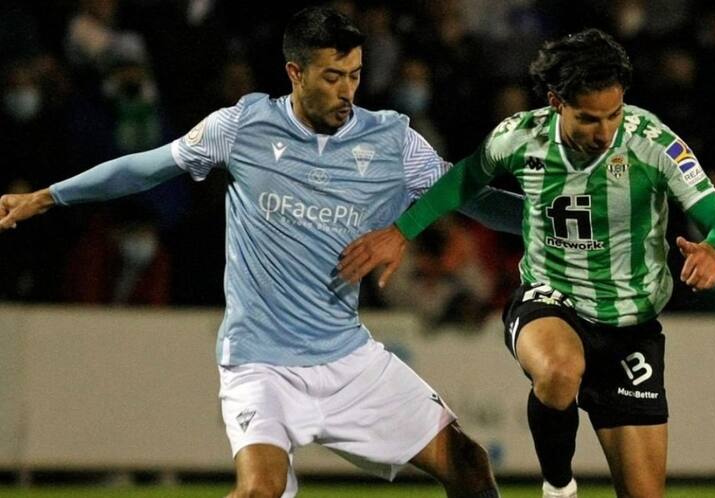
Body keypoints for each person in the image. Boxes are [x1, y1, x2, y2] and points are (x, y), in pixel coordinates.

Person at [0, 7, 519, 498]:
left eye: (355, 75)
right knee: (260, 489)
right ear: (295, 72)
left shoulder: (393, 141)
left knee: (469, 464)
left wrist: (545, 224)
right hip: (260, 362)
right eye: (332, 77)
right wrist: (48, 196)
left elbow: (469, 196)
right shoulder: (242, 126)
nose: (347, 91)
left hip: (348, 356)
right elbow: (146, 167)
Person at [338, 29, 715, 498]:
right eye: (588, 118)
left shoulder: (653, 142)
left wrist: (713, 250)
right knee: (558, 371)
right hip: (551, 297)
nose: (604, 133)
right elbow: (464, 180)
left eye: (613, 115)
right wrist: (401, 231)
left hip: (631, 325)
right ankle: (558, 486)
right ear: (556, 102)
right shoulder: (520, 137)